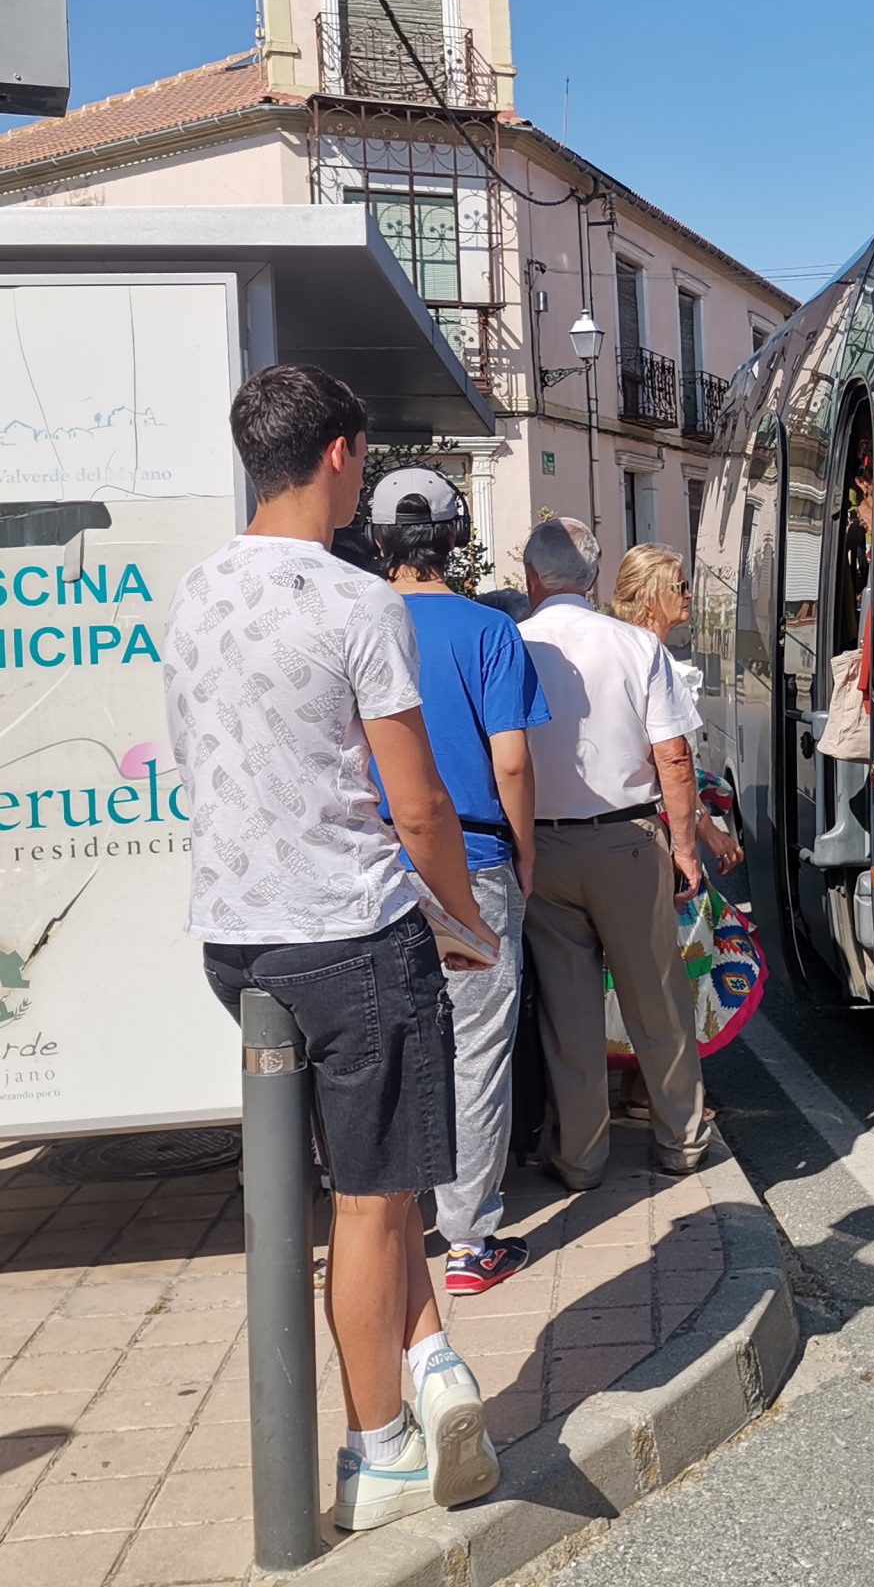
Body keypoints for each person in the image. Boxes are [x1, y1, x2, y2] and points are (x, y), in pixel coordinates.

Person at [163, 364, 502, 1528]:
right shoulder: (359, 604)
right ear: (343, 456)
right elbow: (419, 807)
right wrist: (463, 925)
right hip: (351, 932)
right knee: (371, 1198)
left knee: (380, 1176)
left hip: (236, 938)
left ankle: (428, 1358)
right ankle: (380, 1446)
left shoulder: (196, 591)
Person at [370, 467, 549, 1298]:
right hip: (472, 864)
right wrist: (525, 851)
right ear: (455, 541)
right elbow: (510, 758)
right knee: (476, 1050)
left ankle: (386, 1225)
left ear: (376, 541)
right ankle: (472, 1241)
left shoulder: (352, 627)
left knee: (391, 1051)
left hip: (371, 871)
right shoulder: (489, 632)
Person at [516, 518, 711, 1188]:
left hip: (541, 845)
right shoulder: (633, 646)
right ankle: (679, 1141)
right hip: (628, 839)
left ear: (530, 578)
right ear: (595, 578)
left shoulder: (511, 644)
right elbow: (674, 757)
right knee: (657, 1000)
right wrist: (684, 847)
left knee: (568, 1014)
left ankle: (581, 1159)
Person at [610, 545, 744, 876]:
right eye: (679, 586)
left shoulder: (630, 649)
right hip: (659, 828)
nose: (689, 594)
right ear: (647, 594)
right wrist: (704, 831)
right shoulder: (649, 657)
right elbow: (671, 761)